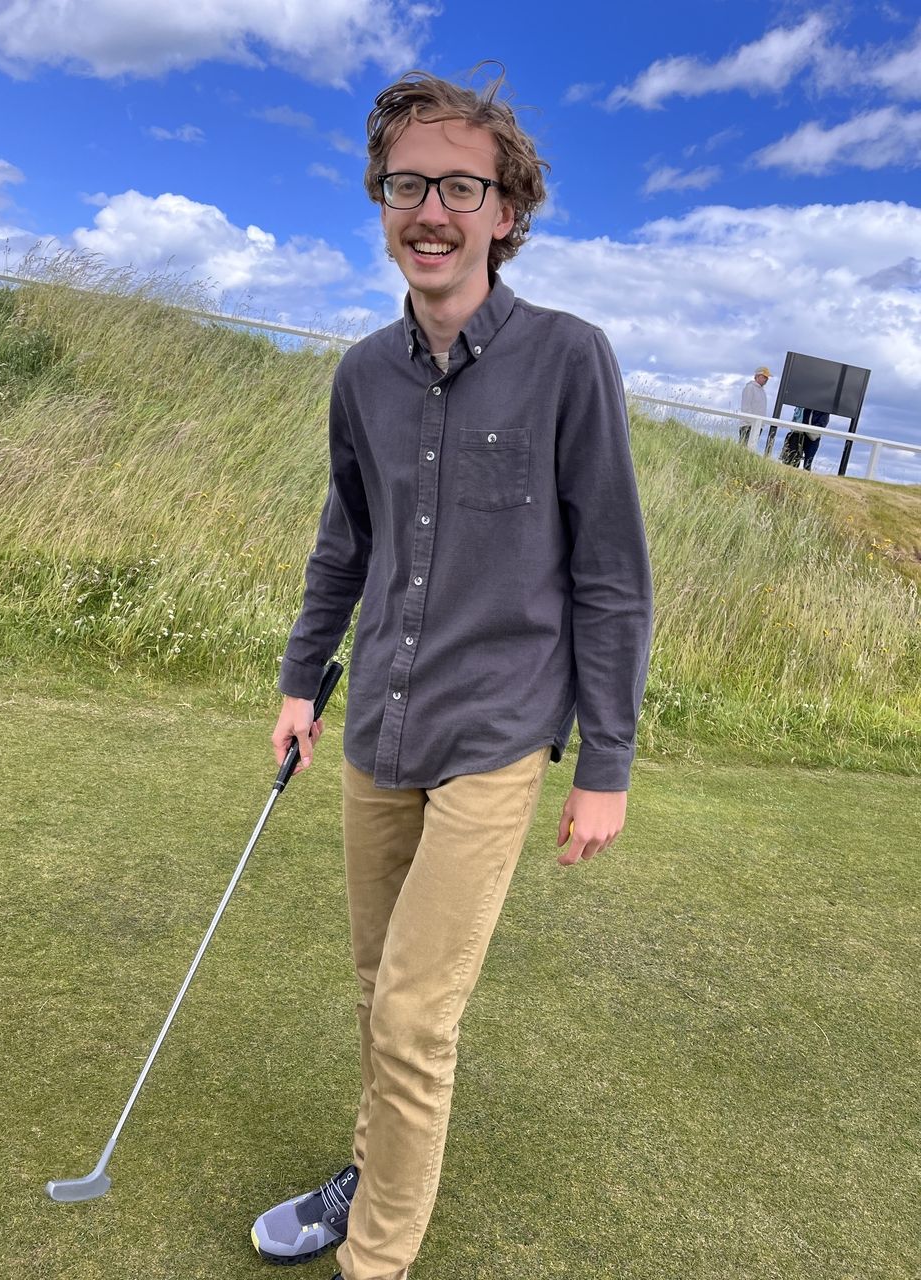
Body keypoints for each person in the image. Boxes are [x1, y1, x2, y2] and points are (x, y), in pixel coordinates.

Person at [250, 67, 653, 1280]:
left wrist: (607, 765)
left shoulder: (572, 359)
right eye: (407, 183)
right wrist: (299, 681)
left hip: (497, 736)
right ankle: (373, 1166)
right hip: (378, 725)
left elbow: (612, 575)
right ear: (382, 202)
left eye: (460, 187)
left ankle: (376, 1259)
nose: (432, 209)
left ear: (507, 212)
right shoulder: (361, 374)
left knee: (419, 1019)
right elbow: (346, 543)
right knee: (382, 993)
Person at [781, 405, 829, 471]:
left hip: (813, 436)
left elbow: (822, 423)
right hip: (799, 433)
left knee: (807, 464)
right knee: (792, 460)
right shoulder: (804, 403)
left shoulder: (825, 407)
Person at [739, 364, 771, 446]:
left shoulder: (762, 391)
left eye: (767, 377)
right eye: (764, 377)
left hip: (758, 425)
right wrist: (751, 422)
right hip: (748, 424)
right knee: (744, 447)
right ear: (757, 376)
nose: (766, 379)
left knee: (751, 447)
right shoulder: (750, 388)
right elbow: (746, 406)